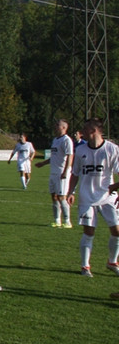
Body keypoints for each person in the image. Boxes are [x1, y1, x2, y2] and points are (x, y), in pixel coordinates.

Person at [66, 118, 119, 278]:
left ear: (94, 131)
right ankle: (85, 266)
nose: (82, 132)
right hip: (87, 197)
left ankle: (112, 262)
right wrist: (71, 192)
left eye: (85, 129)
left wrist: (116, 188)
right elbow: (75, 173)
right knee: (89, 232)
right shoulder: (81, 150)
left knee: (117, 230)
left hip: (108, 197)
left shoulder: (112, 149)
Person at [35, 119, 74, 228]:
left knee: (62, 197)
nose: (55, 127)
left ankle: (67, 221)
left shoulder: (67, 140)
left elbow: (70, 156)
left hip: (62, 173)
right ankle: (57, 220)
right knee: (54, 196)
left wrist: (65, 171)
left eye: (58, 125)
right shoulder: (55, 140)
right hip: (53, 172)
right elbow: (54, 157)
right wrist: (43, 163)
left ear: (64, 127)